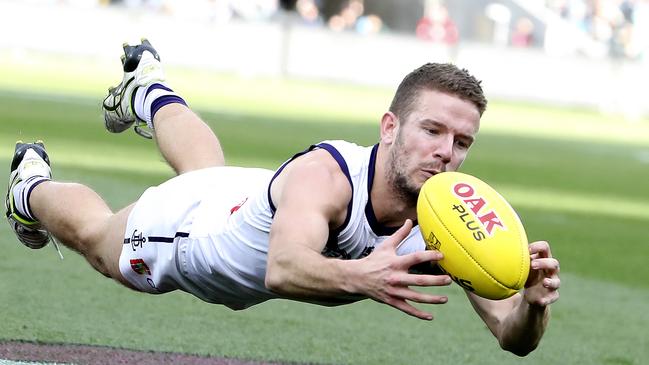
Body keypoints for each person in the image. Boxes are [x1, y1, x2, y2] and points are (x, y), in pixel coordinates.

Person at [5, 40, 560, 356]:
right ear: (390, 126)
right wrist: (365, 276)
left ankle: (148, 89)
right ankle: (28, 187)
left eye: (462, 141)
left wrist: (531, 305)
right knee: (101, 244)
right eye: (432, 131)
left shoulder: (448, 216)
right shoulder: (329, 175)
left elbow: (512, 338)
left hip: (240, 200)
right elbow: (282, 267)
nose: (447, 152)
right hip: (190, 236)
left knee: (206, 171)